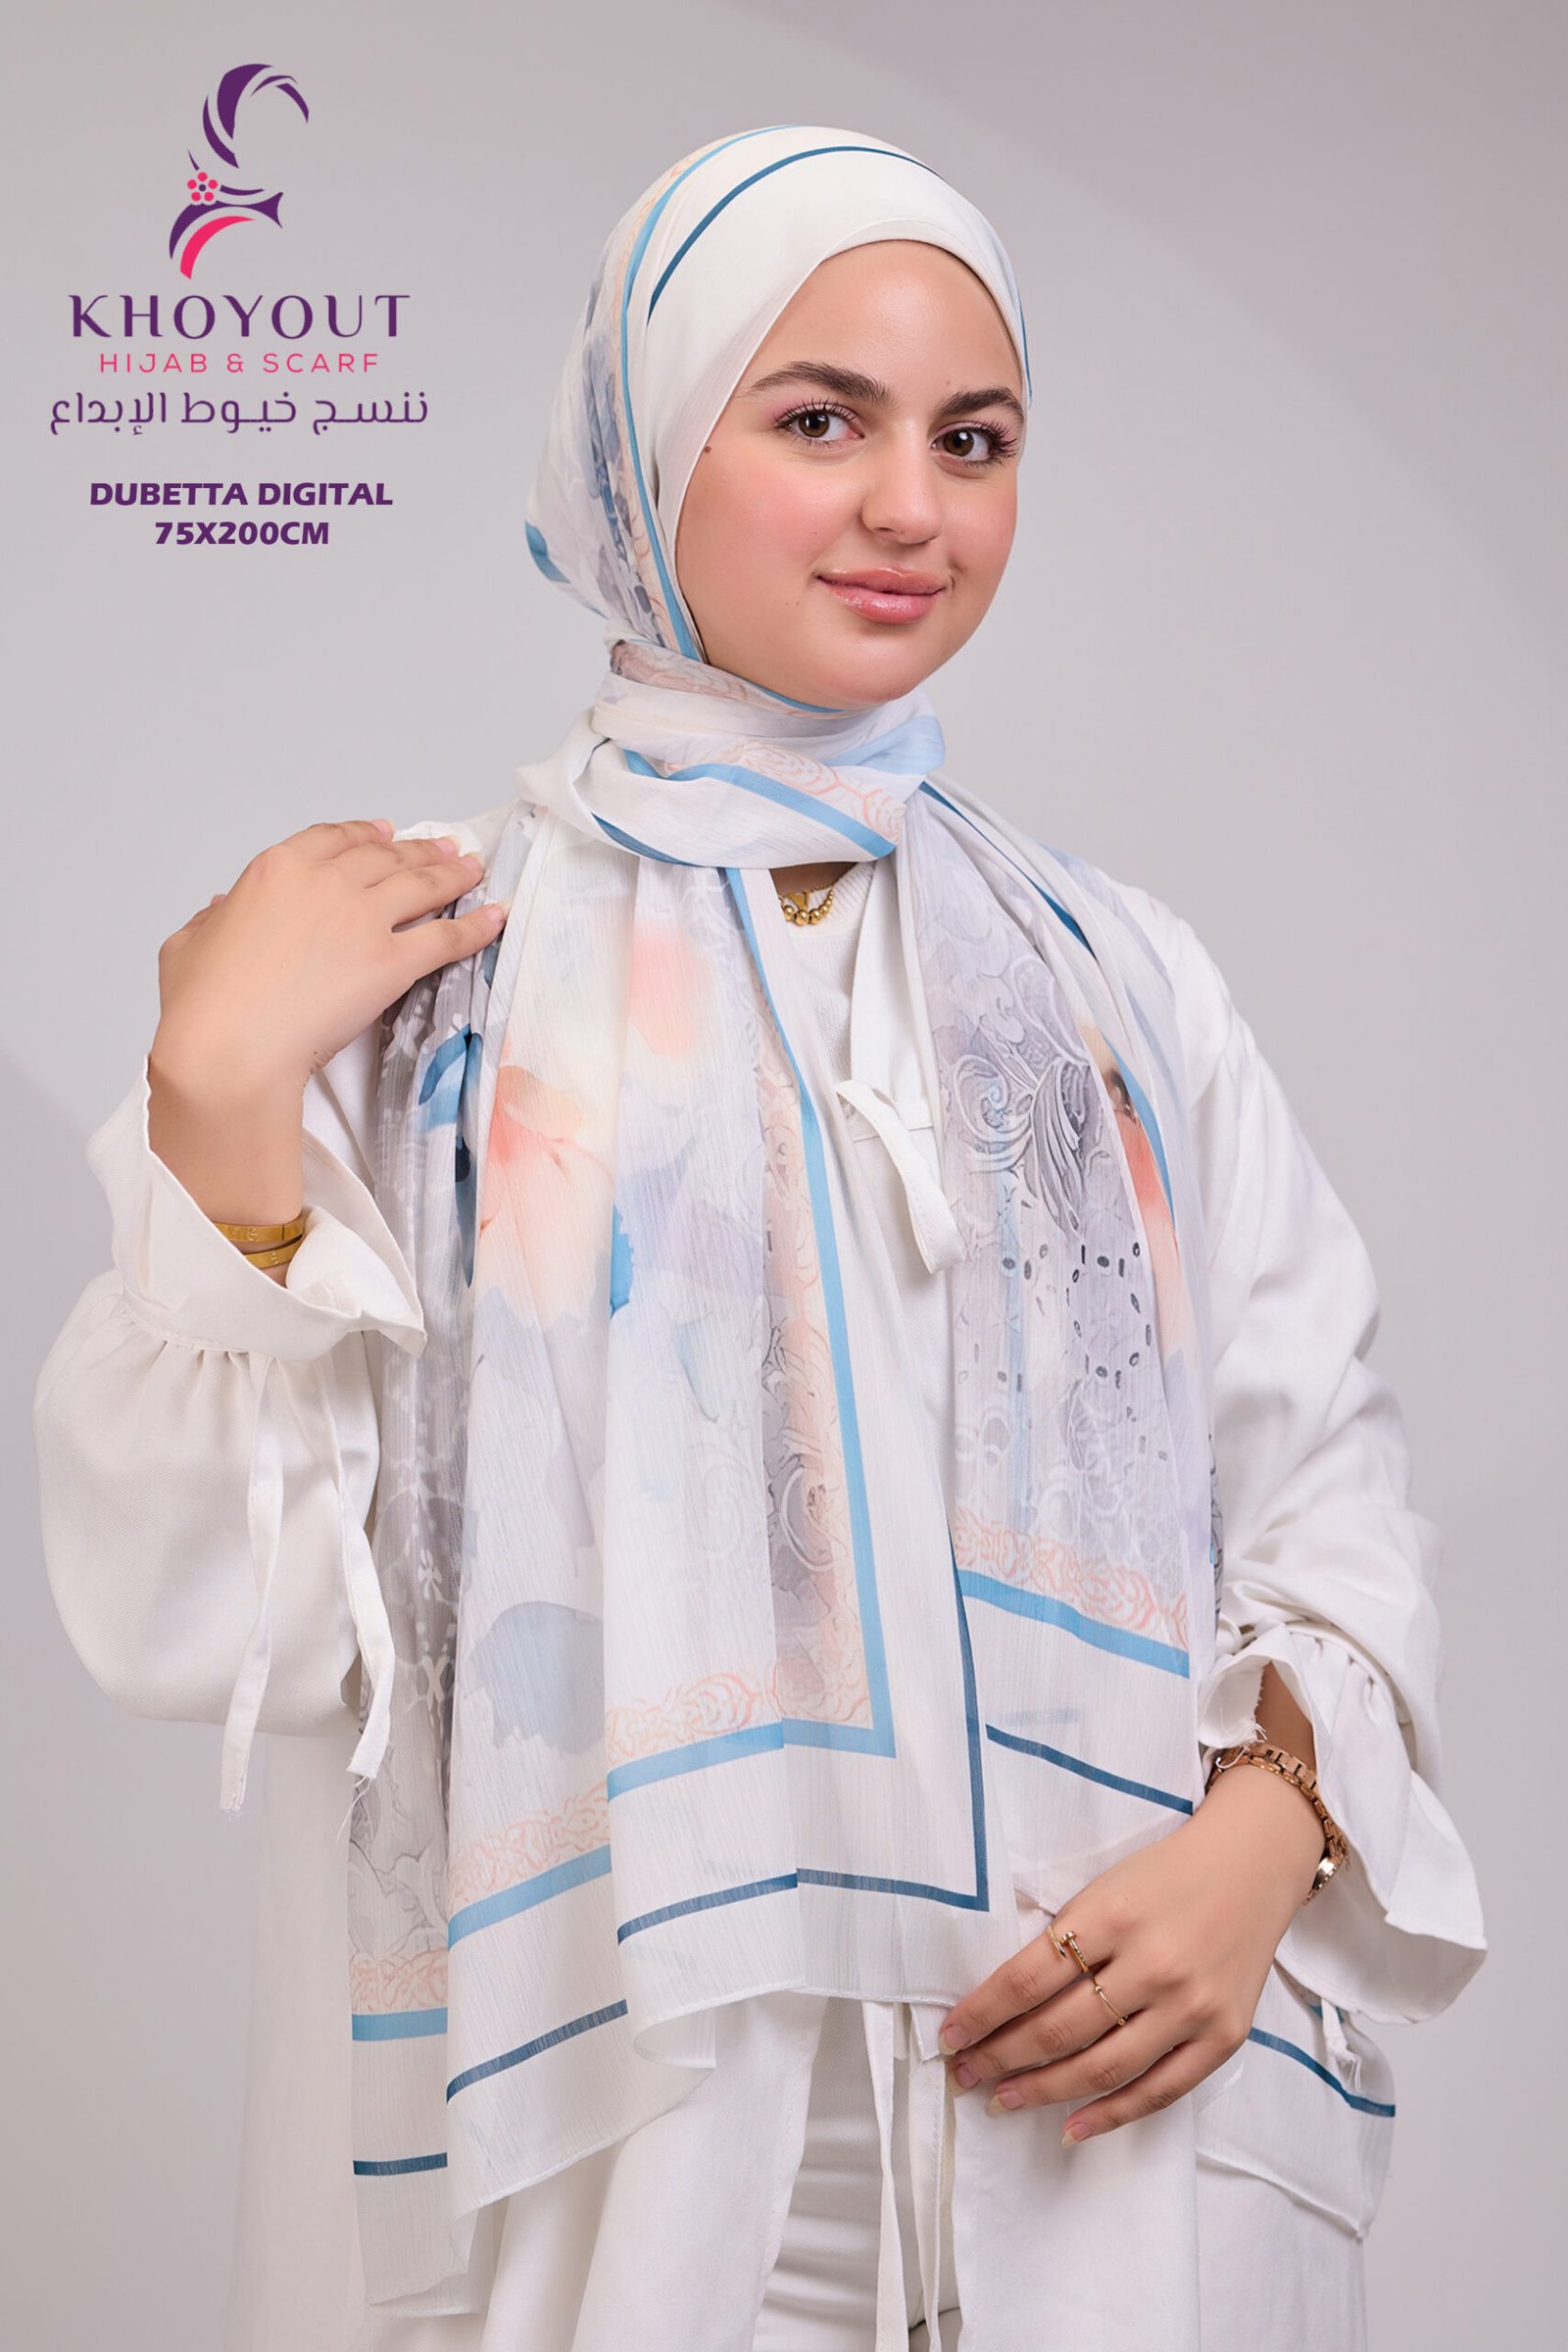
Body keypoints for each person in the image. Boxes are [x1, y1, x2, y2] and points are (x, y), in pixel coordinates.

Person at [33, 125, 1485, 2352]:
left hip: (1102, 2144)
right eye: (820, 420)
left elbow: (1324, 1494)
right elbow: (217, 1619)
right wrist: (219, 1109)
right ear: (640, 442)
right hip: (625, 2161)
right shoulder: (421, 975)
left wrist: (1268, 1828)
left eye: (972, 440)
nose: (912, 506)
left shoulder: (1117, 988)